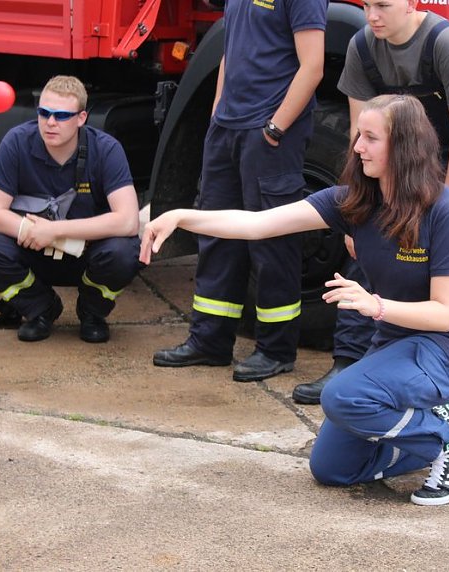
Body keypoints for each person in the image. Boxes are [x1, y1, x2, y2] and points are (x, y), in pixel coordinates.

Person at [141, 95, 449, 506]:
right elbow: (257, 224)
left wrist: (376, 306)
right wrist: (181, 216)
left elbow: (446, 313)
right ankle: (429, 435)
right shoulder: (355, 201)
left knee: (343, 396)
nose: (358, 147)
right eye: (359, 136)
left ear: (404, 146)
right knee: (332, 468)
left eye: (371, 138)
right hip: (399, 339)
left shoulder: (446, 211)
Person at [292, 0, 449, 404]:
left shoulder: (444, 42)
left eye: (383, 5)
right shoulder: (362, 47)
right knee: (373, 243)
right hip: (401, 149)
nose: (372, 15)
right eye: (367, 5)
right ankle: (349, 362)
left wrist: (439, 212)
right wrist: (356, 212)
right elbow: (359, 137)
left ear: (411, 4)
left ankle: (438, 373)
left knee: (435, 253)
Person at [150, 0, 327, 382]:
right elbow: (231, 51)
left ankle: (275, 350)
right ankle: (209, 341)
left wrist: (275, 127)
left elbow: (313, 66)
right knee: (216, 237)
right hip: (228, 129)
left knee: (273, 242)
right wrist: (218, 113)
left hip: (269, 134)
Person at [0, 75, 141, 343]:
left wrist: (55, 230)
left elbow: (128, 221)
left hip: (86, 254)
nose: (50, 122)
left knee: (125, 253)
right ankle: (40, 308)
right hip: (34, 249)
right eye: (44, 113)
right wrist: (31, 230)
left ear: (81, 118)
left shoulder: (106, 149)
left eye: (62, 115)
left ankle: (92, 312)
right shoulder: (16, 142)